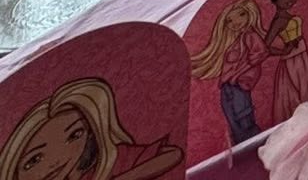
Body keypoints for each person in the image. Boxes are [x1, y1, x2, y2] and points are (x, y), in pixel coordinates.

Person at [0, 77, 183, 180]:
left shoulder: (105, 162)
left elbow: (172, 154)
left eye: (74, 135)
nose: (56, 161)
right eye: (34, 160)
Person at [188, 0, 270, 143]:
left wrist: (237, 75)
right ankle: (242, 145)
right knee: (232, 119)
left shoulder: (250, 36)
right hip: (228, 85)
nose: (235, 23)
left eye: (241, 15)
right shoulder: (237, 40)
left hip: (239, 84)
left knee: (243, 117)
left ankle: (254, 143)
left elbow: (259, 55)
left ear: (249, 14)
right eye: (229, 21)